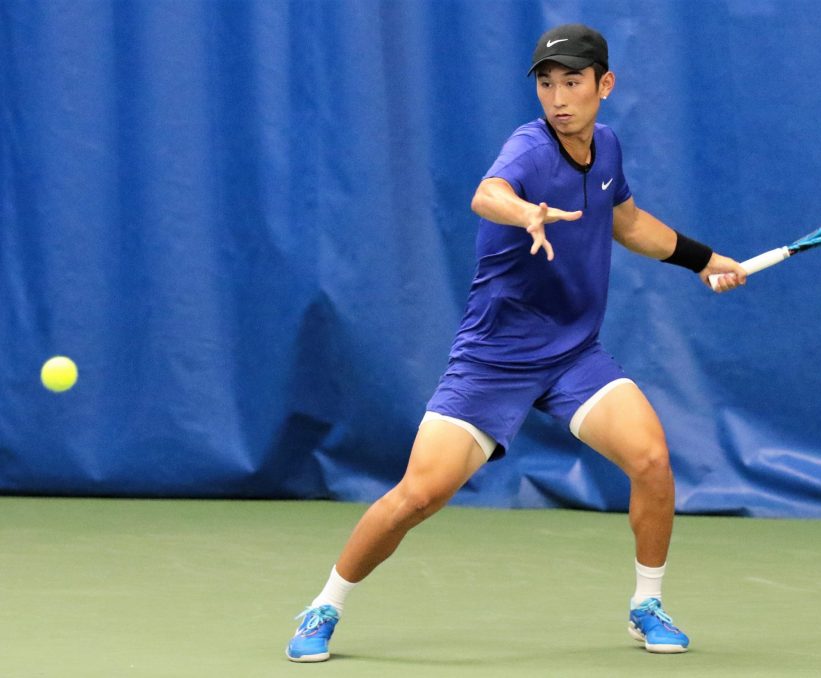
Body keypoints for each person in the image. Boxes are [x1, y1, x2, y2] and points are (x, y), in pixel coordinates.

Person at [286, 23, 746, 662]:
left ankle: (647, 603)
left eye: (573, 83)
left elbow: (629, 222)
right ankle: (324, 606)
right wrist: (523, 211)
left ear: (603, 85)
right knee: (419, 495)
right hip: (494, 359)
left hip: (573, 353)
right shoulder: (528, 150)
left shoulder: (606, 148)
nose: (559, 98)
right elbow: (487, 193)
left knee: (651, 460)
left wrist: (703, 259)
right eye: (547, 84)